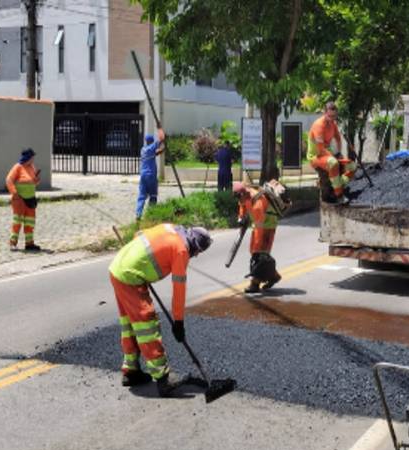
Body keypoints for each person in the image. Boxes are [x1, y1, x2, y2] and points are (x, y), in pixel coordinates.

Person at [108, 223, 212, 396]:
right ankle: (163, 379)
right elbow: (179, 290)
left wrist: (141, 265)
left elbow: (139, 235)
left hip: (118, 268)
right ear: (195, 246)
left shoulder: (170, 227)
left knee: (129, 324)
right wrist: (178, 321)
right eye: (198, 251)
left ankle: (131, 371)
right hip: (129, 276)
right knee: (146, 324)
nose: (196, 255)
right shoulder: (181, 251)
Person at [233, 182, 281, 293]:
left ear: (244, 193)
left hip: (267, 226)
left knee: (260, 254)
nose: (239, 200)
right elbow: (242, 205)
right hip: (258, 224)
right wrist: (241, 217)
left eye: (240, 197)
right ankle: (274, 276)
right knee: (254, 251)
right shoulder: (245, 194)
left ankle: (254, 284)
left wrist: (257, 251)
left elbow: (260, 229)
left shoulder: (258, 204)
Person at [307, 101, 357, 204]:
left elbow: (338, 138)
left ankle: (338, 185)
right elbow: (320, 149)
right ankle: (339, 195)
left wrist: (339, 153)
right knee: (333, 163)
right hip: (316, 157)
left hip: (327, 154)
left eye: (334, 116)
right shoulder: (318, 126)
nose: (332, 118)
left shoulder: (333, 124)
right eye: (329, 116)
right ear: (325, 113)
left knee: (352, 166)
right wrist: (336, 159)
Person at [6, 148, 42, 251]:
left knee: (30, 222)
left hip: (30, 199)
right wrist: (14, 193)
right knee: (17, 221)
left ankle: (29, 243)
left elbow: (32, 182)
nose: (33, 160)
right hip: (19, 200)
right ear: (27, 157)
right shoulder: (17, 167)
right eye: (32, 157)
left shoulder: (31, 167)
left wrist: (36, 181)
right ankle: (13, 243)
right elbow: (9, 180)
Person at [136, 128, 166, 219]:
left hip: (143, 175)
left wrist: (162, 150)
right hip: (151, 175)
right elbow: (161, 139)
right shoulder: (152, 146)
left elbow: (156, 153)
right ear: (152, 141)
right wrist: (160, 129)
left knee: (141, 196)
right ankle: (151, 215)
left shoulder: (143, 149)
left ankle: (138, 214)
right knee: (153, 195)